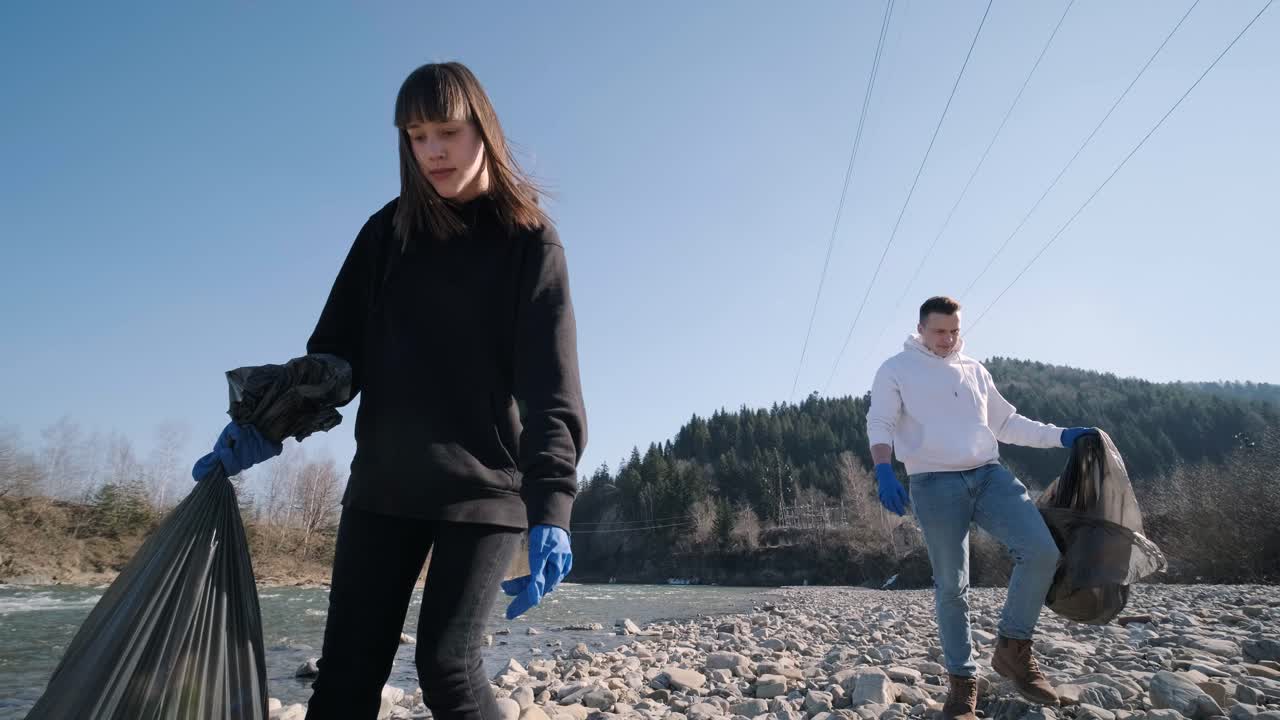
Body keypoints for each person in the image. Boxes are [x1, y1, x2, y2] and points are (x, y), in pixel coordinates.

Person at [197, 61, 587, 720]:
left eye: (447, 131)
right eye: (415, 135)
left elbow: (552, 385)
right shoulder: (388, 233)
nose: (432, 150)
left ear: (482, 129)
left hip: (484, 490)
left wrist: (552, 505)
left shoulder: (528, 239)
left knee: (448, 668)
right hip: (385, 483)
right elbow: (334, 357)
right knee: (346, 673)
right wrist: (263, 424)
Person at [866, 296, 1095, 720]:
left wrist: (1062, 436)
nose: (948, 339)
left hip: (989, 476)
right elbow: (879, 423)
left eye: (954, 330)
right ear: (920, 330)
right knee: (952, 586)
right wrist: (884, 469)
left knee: (1042, 551)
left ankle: (1013, 647)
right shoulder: (895, 370)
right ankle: (962, 682)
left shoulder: (975, 370)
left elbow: (1007, 423)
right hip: (933, 484)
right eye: (939, 331)